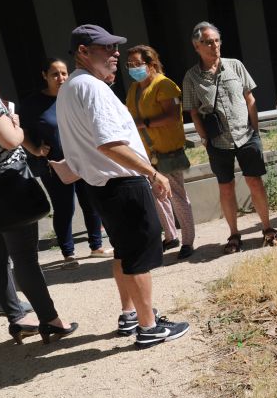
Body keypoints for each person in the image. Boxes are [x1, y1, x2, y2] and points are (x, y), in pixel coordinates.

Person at [56, 24, 189, 347]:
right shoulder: (93, 88)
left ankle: (131, 313)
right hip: (122, 182)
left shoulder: (71, 87)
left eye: (116, 48)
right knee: (139, 256)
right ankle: (149, 326)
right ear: (84, 52)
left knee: (124, 251)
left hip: (100, 186)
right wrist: (153, 173)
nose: (116, 54)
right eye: (107, 48)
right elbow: (109, 143)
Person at [182, 21, 277, 253]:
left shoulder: (235, 65)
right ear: (197, 46)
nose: (214, 45)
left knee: (255, 181)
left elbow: (250, 98)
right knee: (225, 187)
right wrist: (204, 138)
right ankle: (234, 235)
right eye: (208, 42)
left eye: (217, 40)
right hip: (218, 141)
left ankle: (267, 228)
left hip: (246, 134)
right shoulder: (191, 77)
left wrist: (255, 129)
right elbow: (193, 111)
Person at [0, 88, 77, 344]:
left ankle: (17, 319)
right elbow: (9, 139)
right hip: (8, 185)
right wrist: (16, 126)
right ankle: (51, 320)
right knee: (25, 258)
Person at [18, 57, 112, 268]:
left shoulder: (73, 95)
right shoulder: (32, 104)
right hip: (54, 166)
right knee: (64, 208)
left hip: (82, 159)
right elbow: (20, 132)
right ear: (45, 76)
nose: (60, 78)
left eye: (63, 73)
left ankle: (96, 247)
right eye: (54, 74)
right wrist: (35, 149)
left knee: (91, 203)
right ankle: (68, 254)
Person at [125, 45, 195, 260]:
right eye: (130, 65)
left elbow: (173, 116)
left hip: (167, 151)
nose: (133, 68)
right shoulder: (134, 89)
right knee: (158, 196)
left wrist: (143, 124)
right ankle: (170, 236)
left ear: (151, 63)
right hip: (146, 153)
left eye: (138, 64)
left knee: (177, 197)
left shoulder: (164, 85)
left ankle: (188, 241)